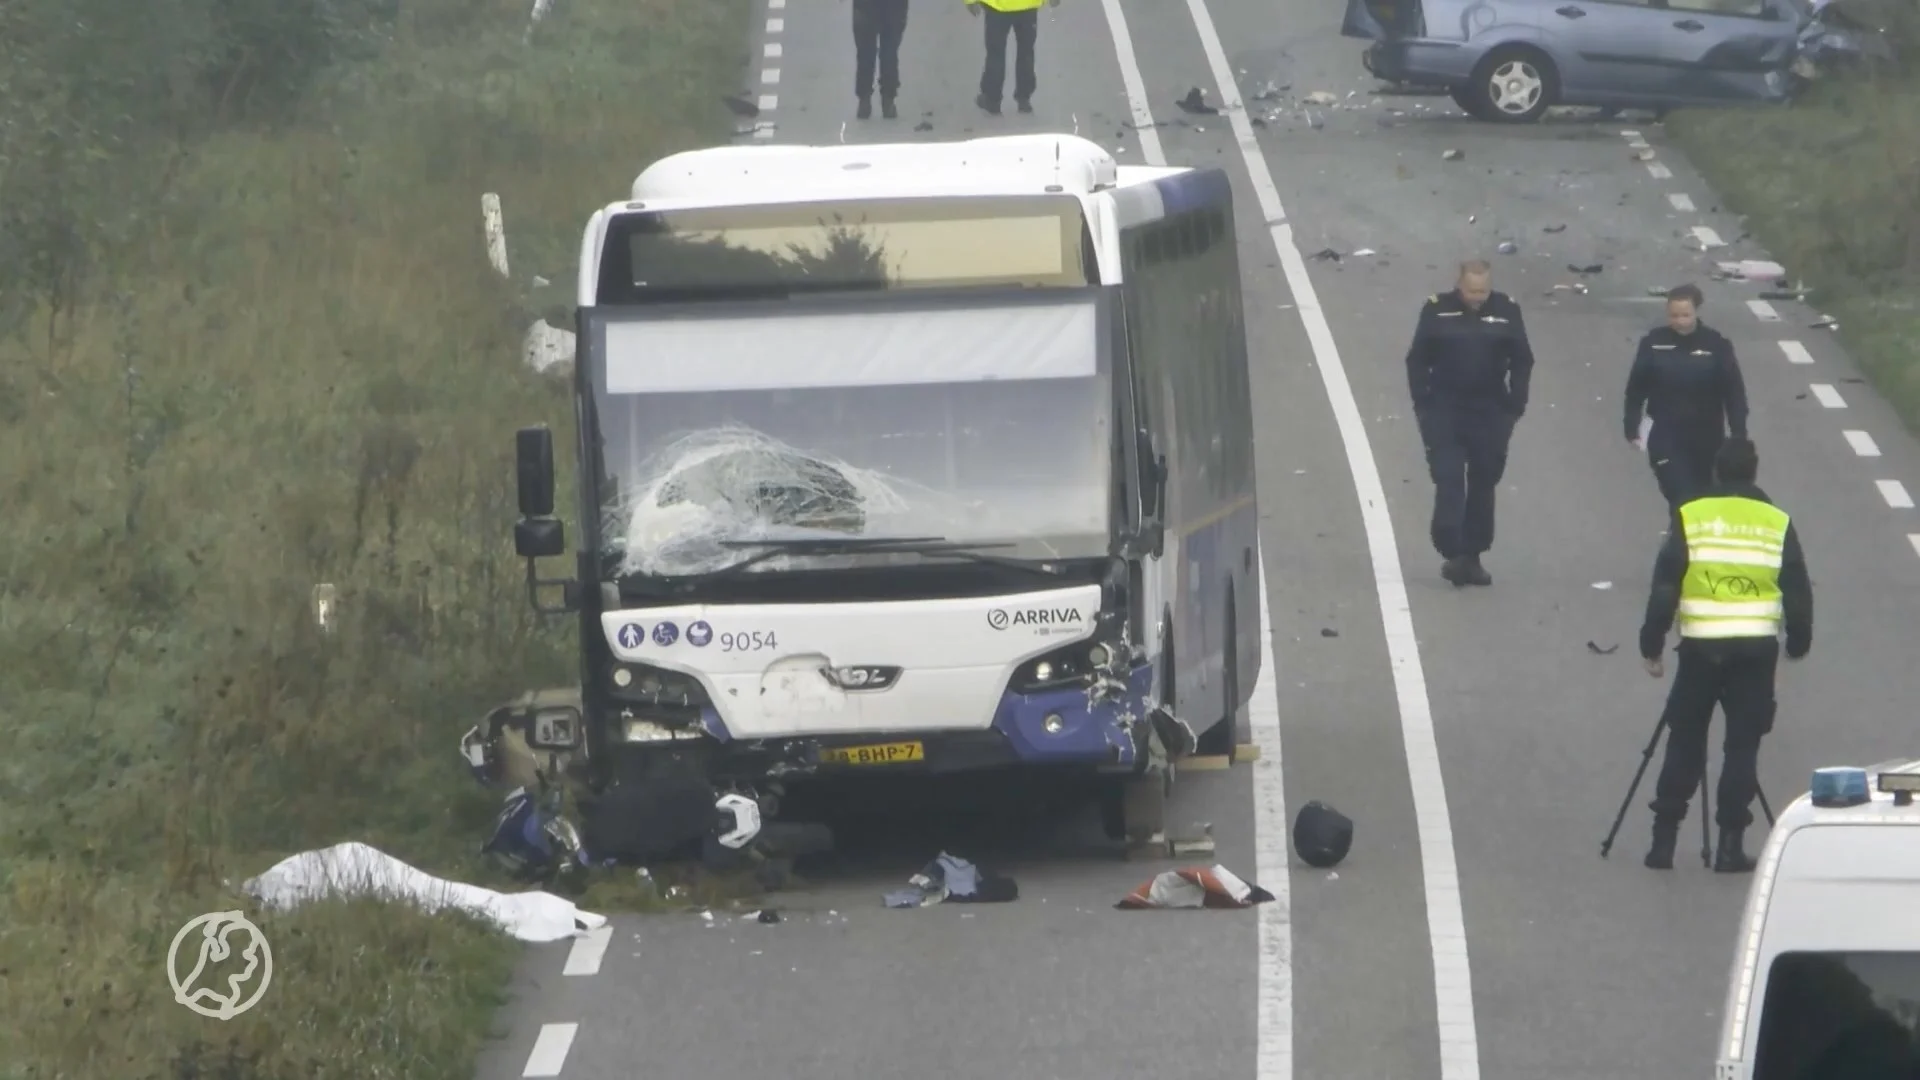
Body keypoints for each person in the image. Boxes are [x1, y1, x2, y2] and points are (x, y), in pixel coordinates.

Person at [1638, 437, 1812, 874]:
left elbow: (1665, 585)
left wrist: (1652, 644)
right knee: (1742, 747)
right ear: (1754, 472)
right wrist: (1796, 644)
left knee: (1684, 740)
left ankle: (1663, 841)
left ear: (1717, 471)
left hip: (1700, 648)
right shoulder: (1776, 521)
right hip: (1755, 652)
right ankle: (1730, 846)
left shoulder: (1692, 515)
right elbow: (1797, 588)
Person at [1403, 259, 1536, 587]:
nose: (1477, 297)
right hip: (1445, 408)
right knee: (1448, 478)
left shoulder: (1507, 310)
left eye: (1483, 291)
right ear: (1459, 285)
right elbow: (1418, 358)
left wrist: (1515, 405)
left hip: (1490, 410)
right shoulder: (1436, 311)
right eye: (1471, 291)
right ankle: (1450, 545)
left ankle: (1472, 556)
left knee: (1483, 481)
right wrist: (1423, 402)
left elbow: (1522, 359)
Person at [1623, 283, 1750, 510]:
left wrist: (1739, 433)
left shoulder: (1716, 345)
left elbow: (1734, 392)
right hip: (1664, 436)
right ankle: (1680, 538)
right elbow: (1636, 388)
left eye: (1685, 315)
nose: (1680, 321)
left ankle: (1687, 541)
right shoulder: (1653, 343)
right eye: (1674, 315)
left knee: (1704, 499)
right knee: (1680, 495)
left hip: (1708, 437)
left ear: (1696, 312)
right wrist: (1631, 426)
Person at [966, 0, 1058, 116]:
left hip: (997, 7)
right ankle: (1024, 98)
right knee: (1026, 52)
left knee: (996, 53)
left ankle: (992, 99)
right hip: (1028, 6)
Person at [851, 0, 910, 120]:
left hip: (865, 7)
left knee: (865, 53)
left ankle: (864, 100)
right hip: (894, 7)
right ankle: (888, 101)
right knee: (889, 53)